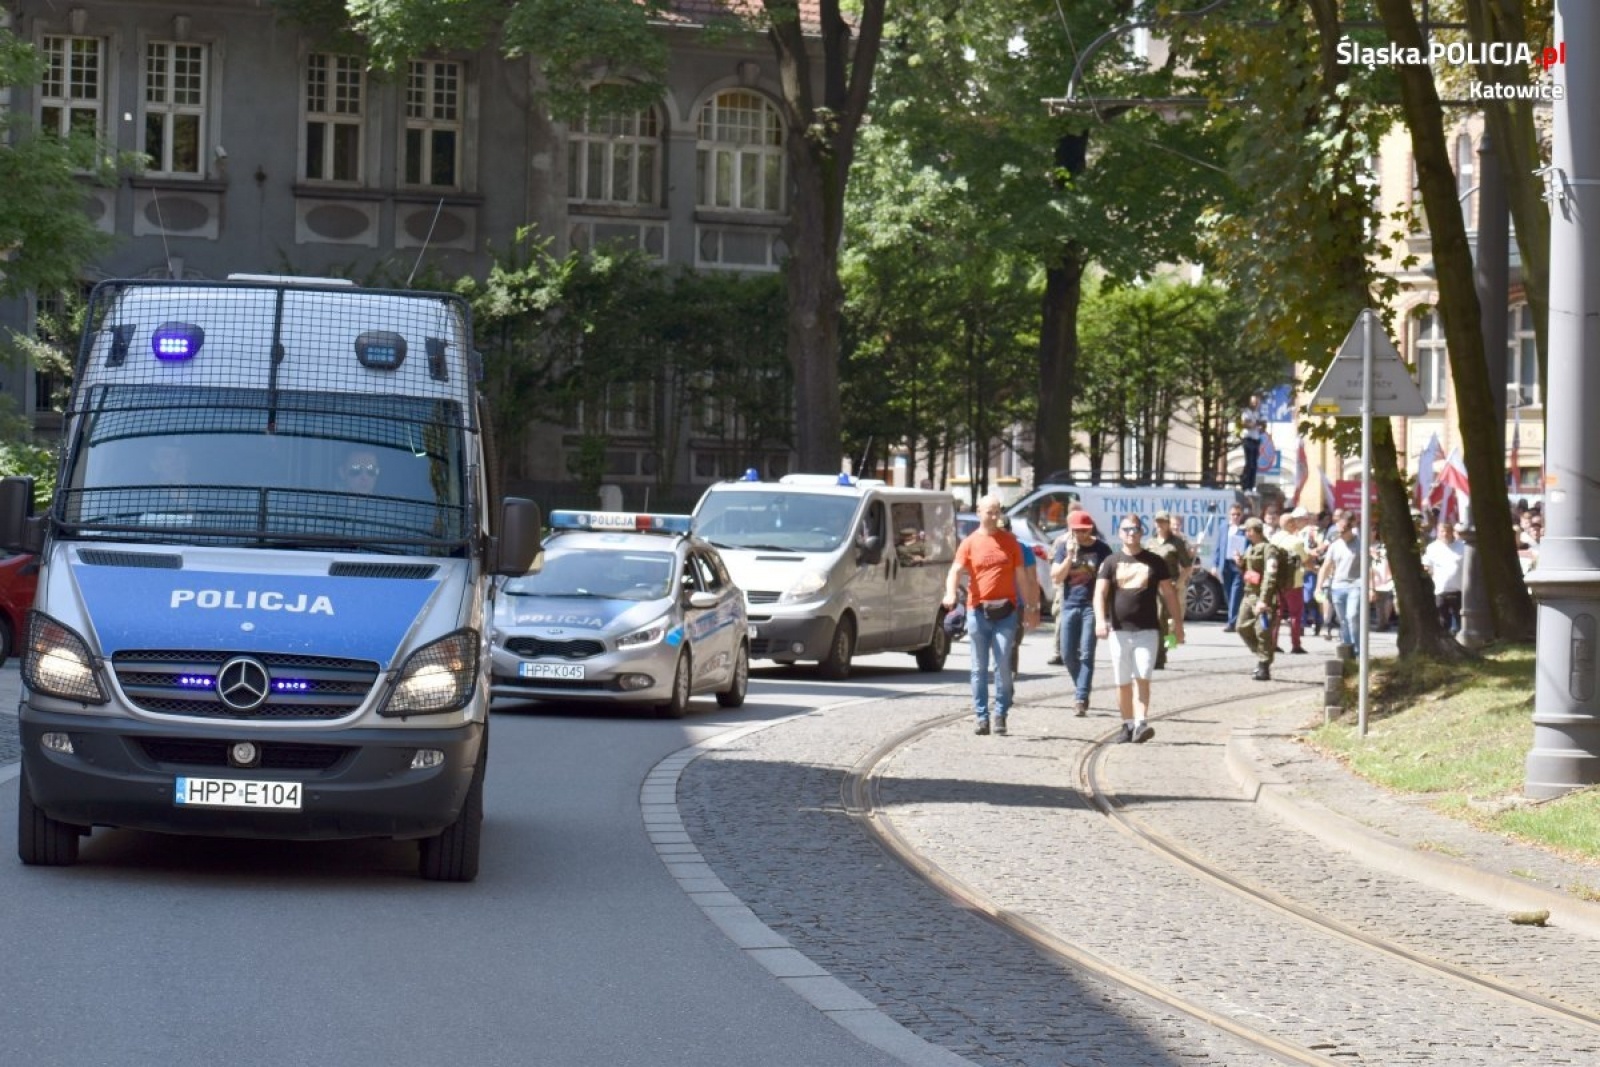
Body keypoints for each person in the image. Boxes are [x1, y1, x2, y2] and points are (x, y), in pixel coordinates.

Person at [944, 495, 1038, 736]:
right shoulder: (969, 543)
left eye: (997, 512)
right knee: (978, 668)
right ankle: (981, 717)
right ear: (979, 513)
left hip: (1006, 612)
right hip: (978, 611)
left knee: (1003, 665)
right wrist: (950, 593)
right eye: (990, 512)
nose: (994, 516)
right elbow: (955, 571)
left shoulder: (1010, 542)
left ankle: (1001, 713)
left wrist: (1030, 608)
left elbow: (1022, 577)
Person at [1094, 514, 1184, 744]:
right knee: (1122, 681)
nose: (1131, 533)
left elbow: (1169, 593)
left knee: (1142, 675)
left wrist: (1178, 624)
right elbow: (1100, 593)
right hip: (1119, 631)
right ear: (1119, 533)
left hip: (1148, 630)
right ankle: (1127, 724)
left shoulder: (1155, 561)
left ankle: (1141, 722)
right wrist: (1100, 620)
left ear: (1142, 532)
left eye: (1135, 529)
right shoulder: (1111, 562)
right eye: (1126, 529)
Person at [1051, 509, 1111, 717]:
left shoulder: (1101, 549)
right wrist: (1069, 557)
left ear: (1090, 529)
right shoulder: (1063, 547)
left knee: (1086, 652)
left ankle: (1081, 698)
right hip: (1069, 604)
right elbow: (1056, 577)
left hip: (1091, 606)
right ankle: (1082, 686)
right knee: (1067, 654)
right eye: (1076, 531)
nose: (1081, 535)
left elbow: (1109, 578)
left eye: (1084, 530)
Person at [1237, 517, 1288, 681]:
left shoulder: (1269, 549)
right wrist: (1240, 563)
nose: (1246, 533)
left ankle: (1263, 666)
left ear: (1254, 531)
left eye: (1247, 530)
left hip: (1263, 597)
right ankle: (1263, 656)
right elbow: (1249, 571)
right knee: (1241, 627)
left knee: (1262, 632)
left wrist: (1264, 600)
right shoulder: (1250, 548)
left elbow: (1270, 575)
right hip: (1249, 594)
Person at [1147, 510, 1193, 669]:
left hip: (1171, 586)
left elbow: (1187, 567)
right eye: (1157, 522)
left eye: (1163, 522)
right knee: (1155, 619)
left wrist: (1178, 584)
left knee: (1169, 621)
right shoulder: (1150, 542)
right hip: (1152, 587)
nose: (1160, 525)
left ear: (1168, 524)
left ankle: (1164, 651)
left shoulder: (1177, 543)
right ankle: (1158, 653)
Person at [1318, 513, 1363, 654]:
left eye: (1344, 531)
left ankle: (1357, 650)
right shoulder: (1335, 545)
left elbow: (1368, 567)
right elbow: (1326, 566)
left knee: (1352, 616)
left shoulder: (1360, 544)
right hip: (1338, 586)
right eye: (1339, 531)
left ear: (1351, 529)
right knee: (1342, 620)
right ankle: (1347, 649)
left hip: (1355, 585)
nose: (1341, 534)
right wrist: (1318, 586)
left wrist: (1371, 588)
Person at [1271, 507, 1312, 654]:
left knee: (1277, 613)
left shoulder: (1273, 539)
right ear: (1288, 524)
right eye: (1293, 522)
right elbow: (1306, 561)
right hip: (1294, 582)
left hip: (1276, 581)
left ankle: (1273, 643)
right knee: (1295, 614)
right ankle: (1296, 645)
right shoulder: (1296, 542)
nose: (1295, 525)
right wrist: (1313, 567)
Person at [1422, 520, 1465, 635]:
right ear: (1438, 532)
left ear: (1452, 532)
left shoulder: (1462, 547)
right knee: (1442, 622)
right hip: (1440, 591)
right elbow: (1427, 566)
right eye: (1442, 531)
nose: (1445, 534)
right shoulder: (1432, 548)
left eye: (1447, 531)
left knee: (1460, 622)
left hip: (1459, 590)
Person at [1211, 502, 1248, 632]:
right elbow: (1218, 547)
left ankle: (1232, 623)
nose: (1235, 517)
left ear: (1241, 515)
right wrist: (1214, 565)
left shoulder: (1245, 529)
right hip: (1225, 564)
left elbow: (1249, 547)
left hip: (1238, 565)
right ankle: (1234, 619)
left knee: (1235, 594)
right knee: (1227, 594)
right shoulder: (1223, 527)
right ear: (1229, 515)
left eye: (1238, 514)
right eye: (1233, 514)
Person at [1238, 393, 1264, 492]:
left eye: (1256, 402)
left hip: (1256, 439)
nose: (1255, 404)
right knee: (1249, 463)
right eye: (1253, 402)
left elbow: (1262, 425)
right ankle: (1245, 484)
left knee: (1254, 465)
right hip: (1248, 439)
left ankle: (1251, 486)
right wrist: (1255, 424)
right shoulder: (1246, 412)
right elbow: (1245, 424)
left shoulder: (1258, 414)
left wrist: (1259, 426)